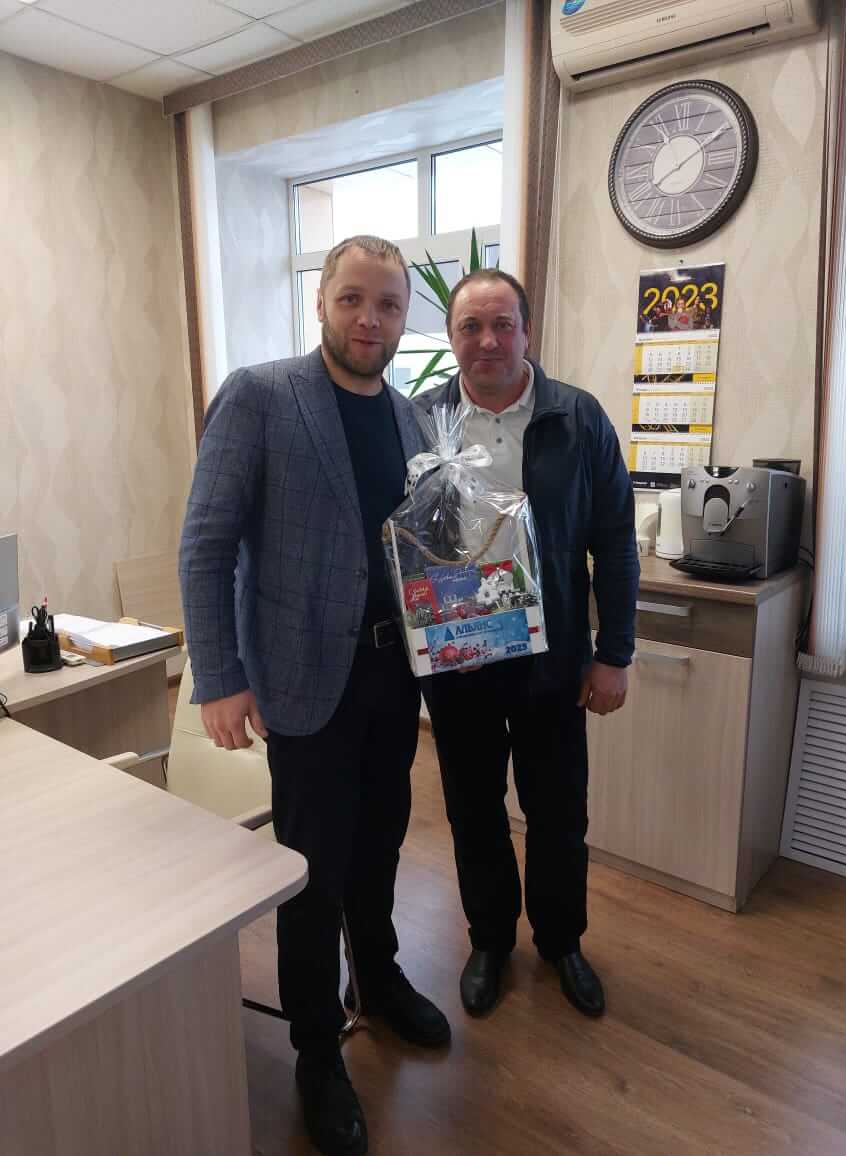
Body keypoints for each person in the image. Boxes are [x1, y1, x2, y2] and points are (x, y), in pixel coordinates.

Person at [179, 235, 449, 1156]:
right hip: (300, 680)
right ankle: (314, 1049)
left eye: (388, 304)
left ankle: (376, 976)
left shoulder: (411, 421)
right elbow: (206, 545)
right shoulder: (260, 395)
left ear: (405, 318)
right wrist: (219, 677)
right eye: (352, 300)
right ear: (322, 302)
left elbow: (423, 548)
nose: (369, 319)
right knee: (311, 871)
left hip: (392, 677)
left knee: (380, 844)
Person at [416, 268, 639, 1021]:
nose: (487, 340)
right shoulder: (419, 420)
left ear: (527, 331)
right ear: (451, 337)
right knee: (473, 809)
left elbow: (615, 542)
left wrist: (615, 654)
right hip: (459, 659)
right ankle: (488, 940)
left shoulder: (576, 417)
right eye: (470, 327)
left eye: (501, 324)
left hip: (554, 663)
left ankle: (561, 941)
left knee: (558, 814)